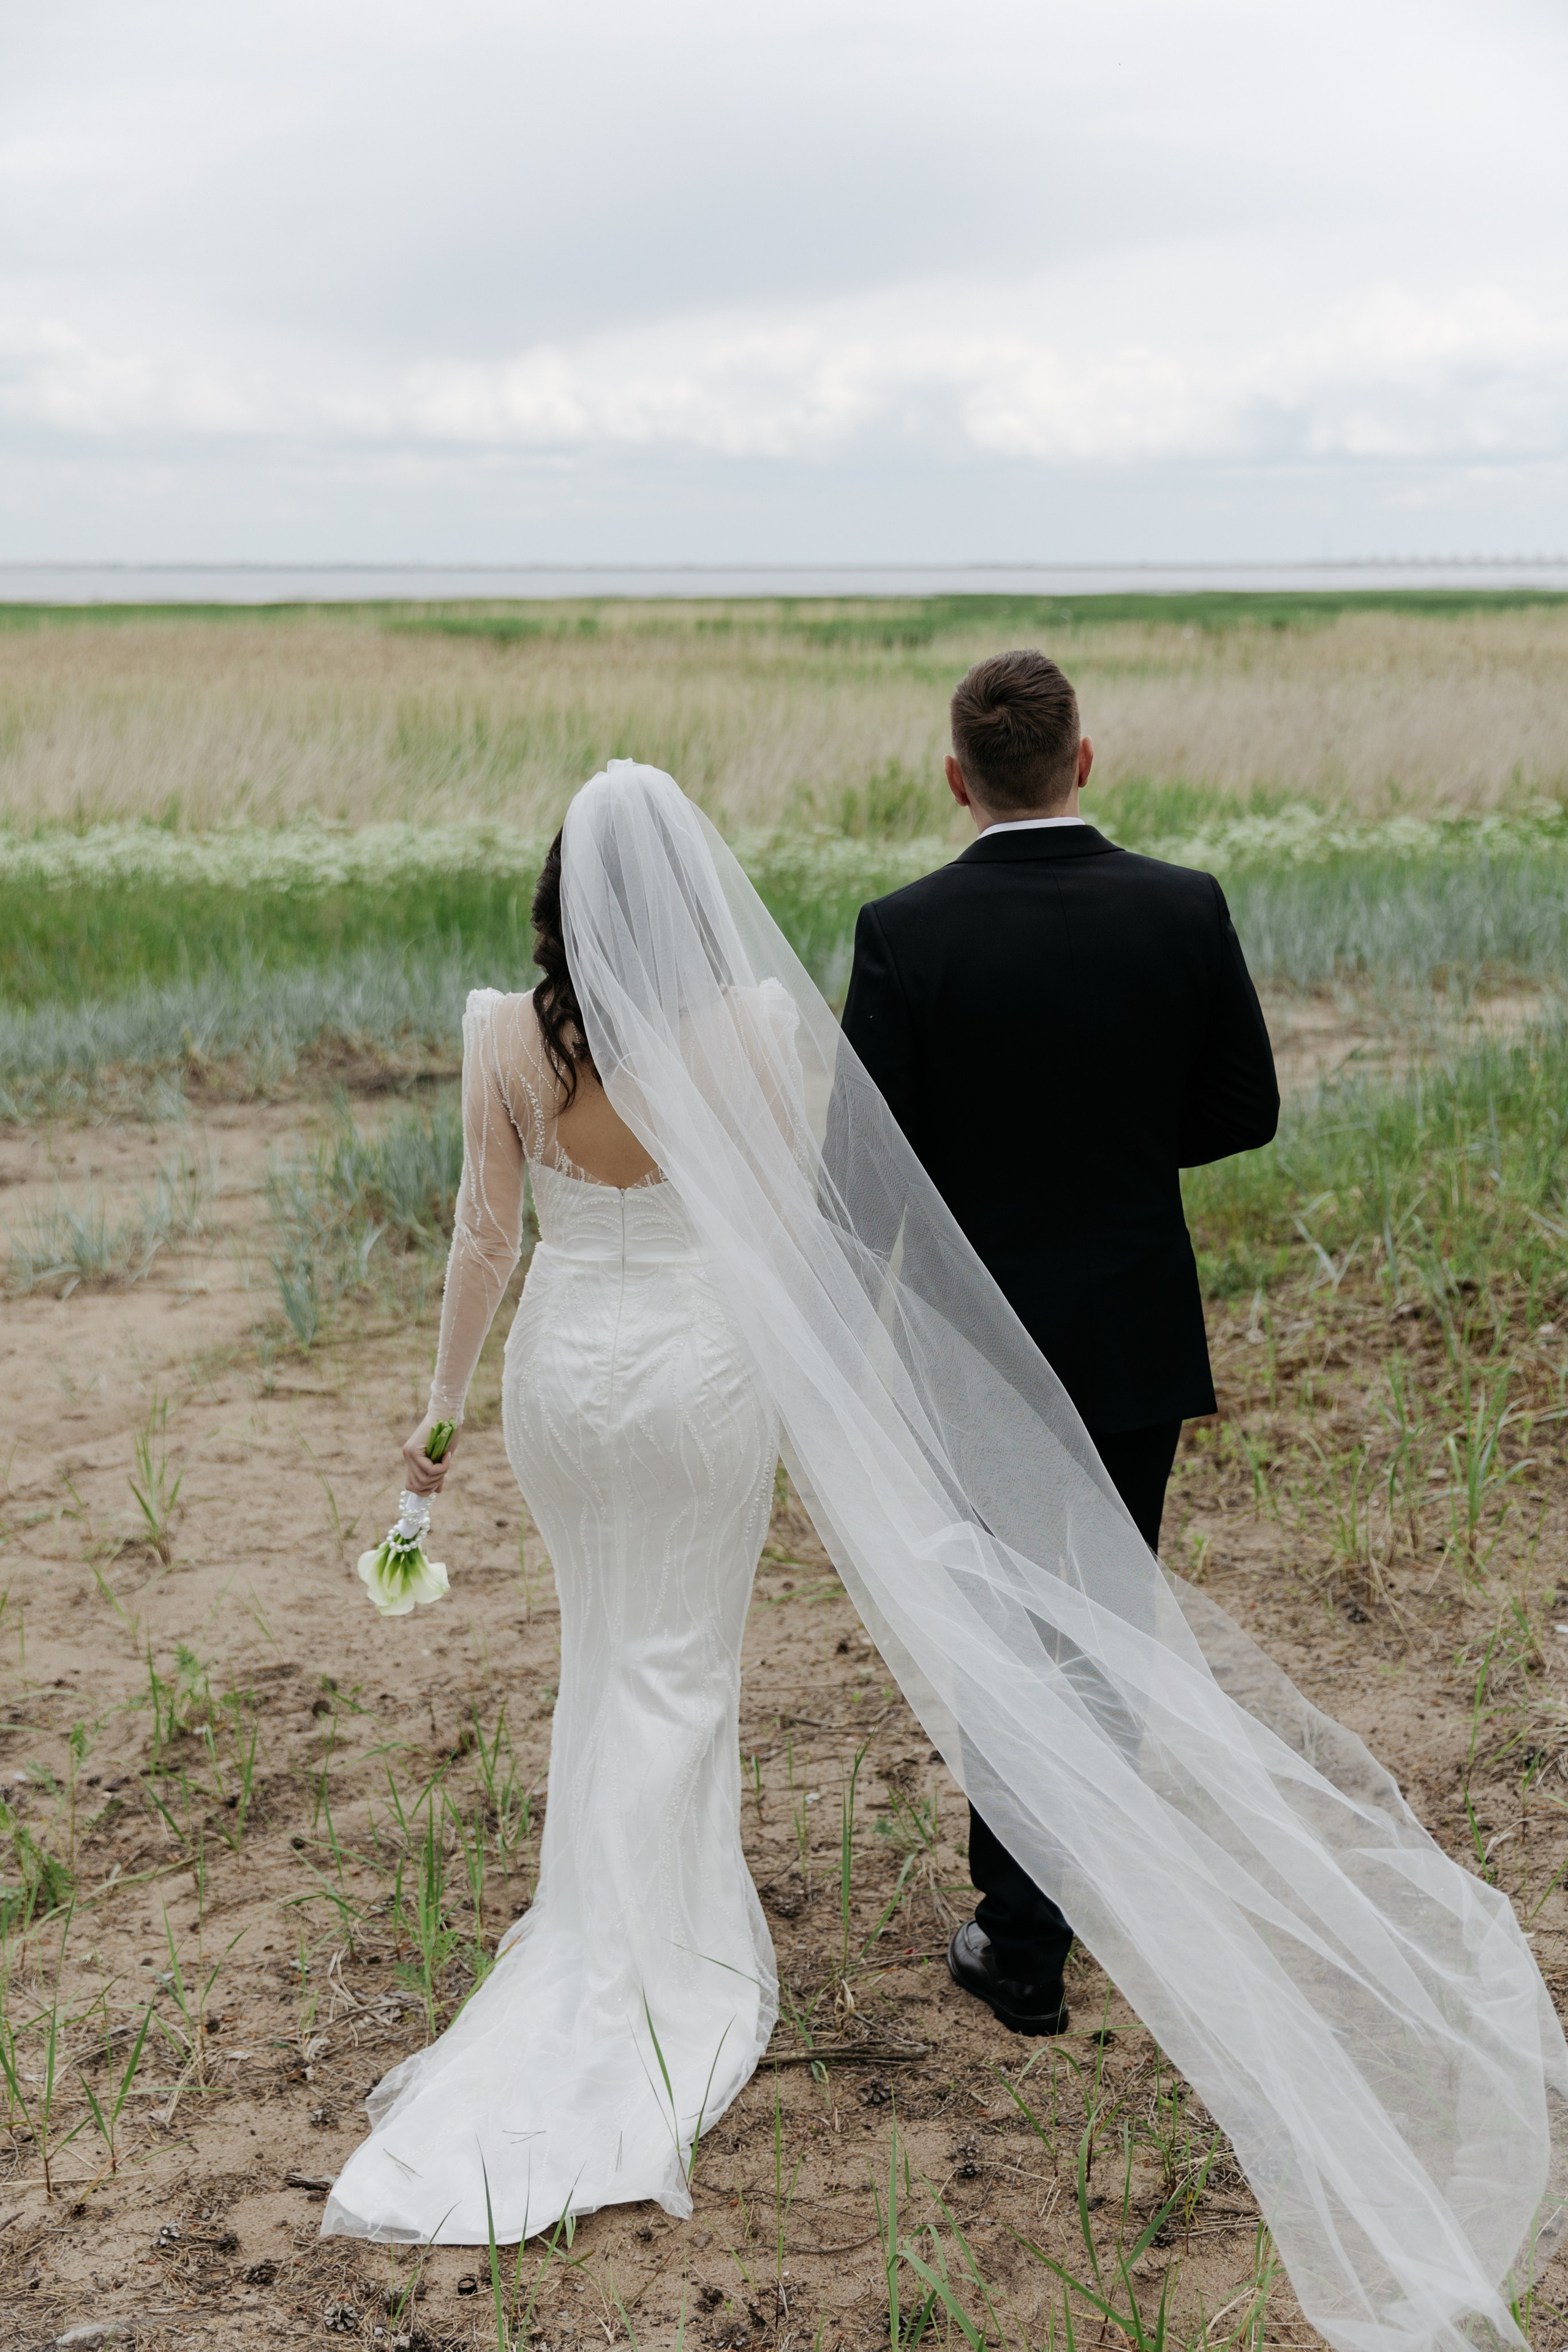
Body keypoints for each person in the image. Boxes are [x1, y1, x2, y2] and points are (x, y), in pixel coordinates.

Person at [325, 761, 1562, 2352]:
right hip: (700, 1374)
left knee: (601, 1649)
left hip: (563, 1379)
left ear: (559, 894)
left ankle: (596, 1934)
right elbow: (799, 1221)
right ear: (693, 893)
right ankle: (664, 1960)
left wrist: (435, 1423)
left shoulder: (507, 1033)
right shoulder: (750, 1028)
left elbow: (482, 1237)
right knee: (682, 1665)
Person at [839, 648, 1280, 2037]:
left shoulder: (903, 930)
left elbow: (856, 1179)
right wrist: (1116, 1154)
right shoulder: (1182, 905)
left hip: (972, 1346)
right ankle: (1063, 1906)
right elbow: (1244, 1110)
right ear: (1081, 760)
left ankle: (1022, 1938)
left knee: (1002, 1629)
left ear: (955, 779)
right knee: (1106, 1621)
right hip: (1131, 1329)